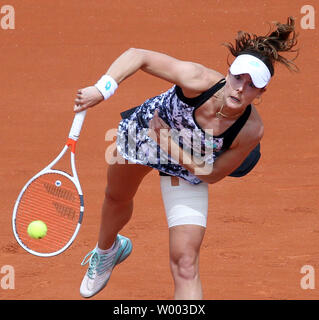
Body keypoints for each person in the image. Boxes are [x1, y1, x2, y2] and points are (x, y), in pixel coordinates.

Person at [74, 17, 298, 299]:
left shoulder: (252, 130)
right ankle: (107, 251)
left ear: (262, 92)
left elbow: (213, 173)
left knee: (186, 263)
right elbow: (138, 56)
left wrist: (170, 145)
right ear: (228, 73)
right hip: (146, 132)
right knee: (117, 197)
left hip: (189, 163)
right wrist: (102, 89)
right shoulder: (197, 78)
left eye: (252, 85)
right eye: (238, 77)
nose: (241, 88)